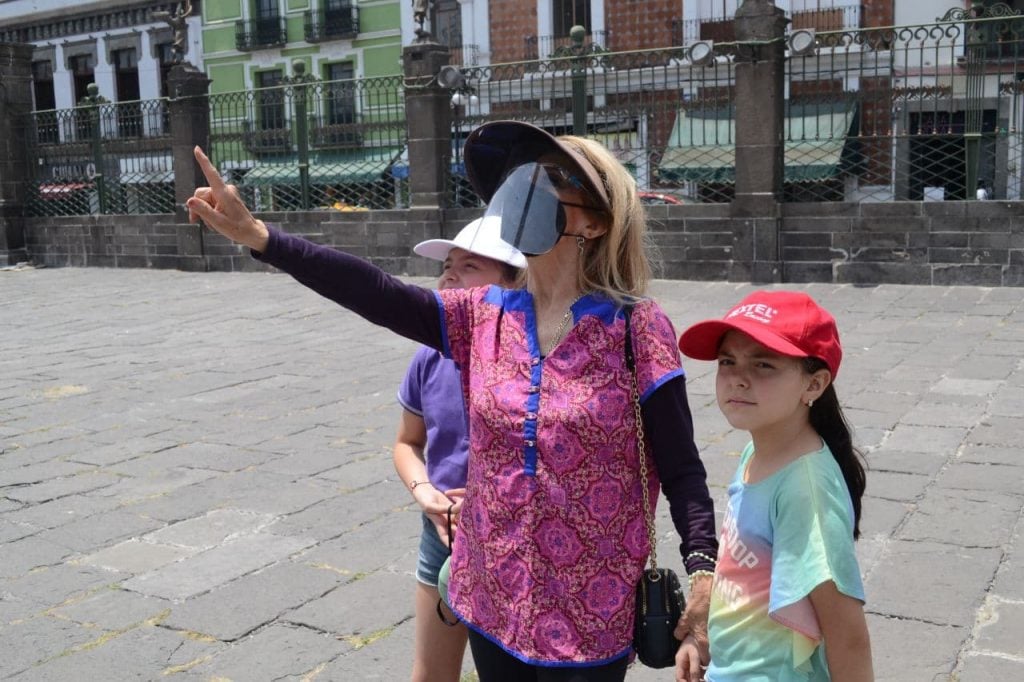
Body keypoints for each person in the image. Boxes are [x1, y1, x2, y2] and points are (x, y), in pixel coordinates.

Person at [184, 119, 718, 681]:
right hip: (492, 593)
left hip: (592, 607)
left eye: (554, 175)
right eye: (524, 174)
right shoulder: (481, 313)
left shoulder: (638, 328)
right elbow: (377, 292)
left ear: (596, 220)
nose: (529, 184)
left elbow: (682, 469)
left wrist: (703, 574)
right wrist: (264, 239)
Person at [676, 290, 872, 682]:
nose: (738, 379)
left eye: (763, 364)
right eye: (727, 361)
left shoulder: (806, 490)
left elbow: (846, 633)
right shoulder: (758, 448)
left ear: (813, 385)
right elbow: (743, 576)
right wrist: (702, 638)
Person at [393, 216, 525, 682]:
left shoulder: (531, 362)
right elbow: (407, 442)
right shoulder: (429, 356)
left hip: (516, 540)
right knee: (430, 673)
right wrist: (424, 491)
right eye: (447, 265)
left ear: (515, 283)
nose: (450, 275)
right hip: (443, 528)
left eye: (470, 265)